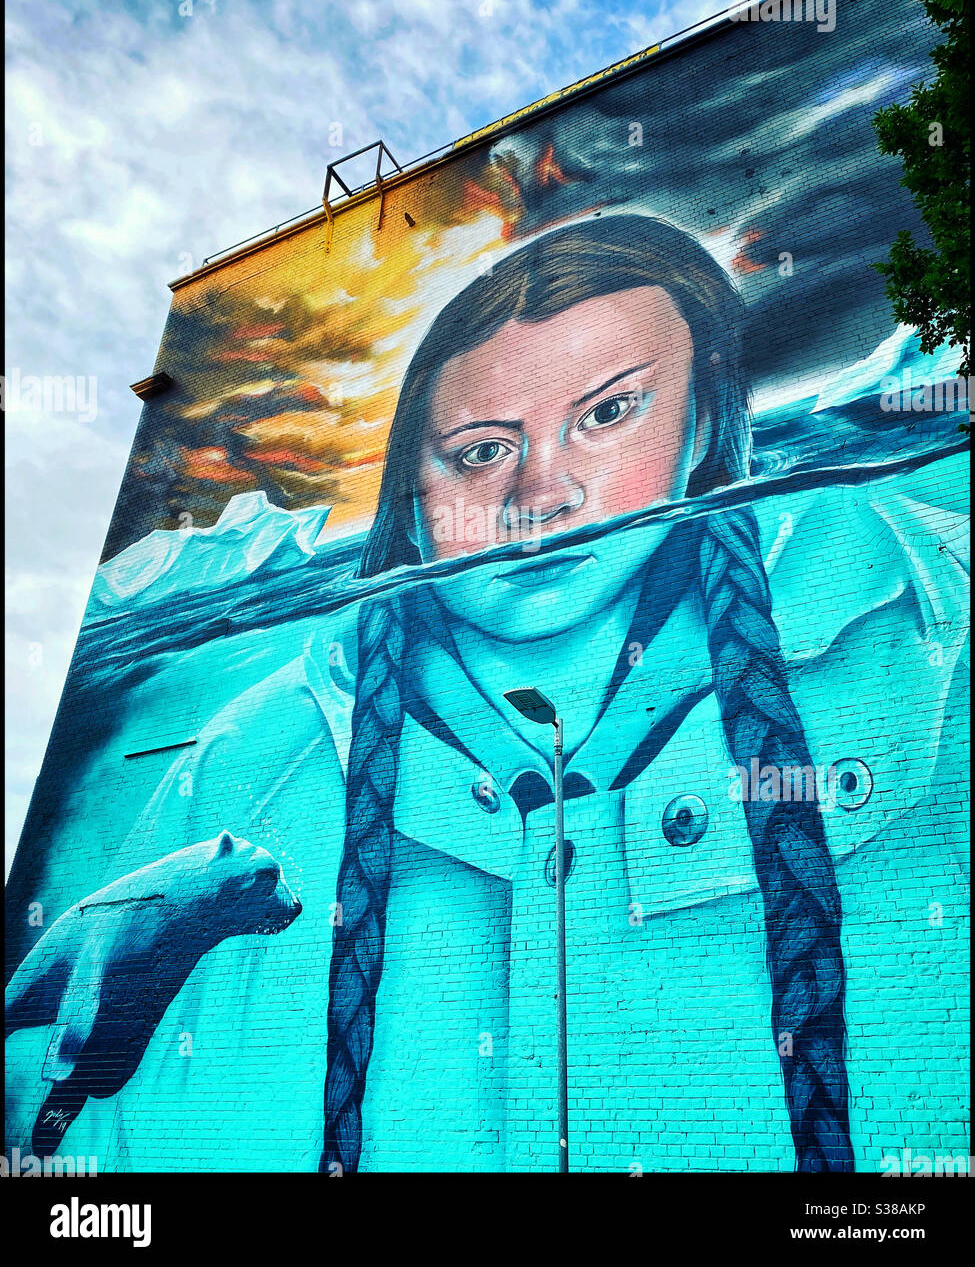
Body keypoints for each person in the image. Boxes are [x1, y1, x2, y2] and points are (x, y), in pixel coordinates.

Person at [9, 215, 967, 1174]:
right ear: (408, 504)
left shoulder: (935, 625)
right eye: (477, 452)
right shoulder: (248, 761)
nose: (540, 494)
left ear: (705, 426)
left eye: (607, 413)